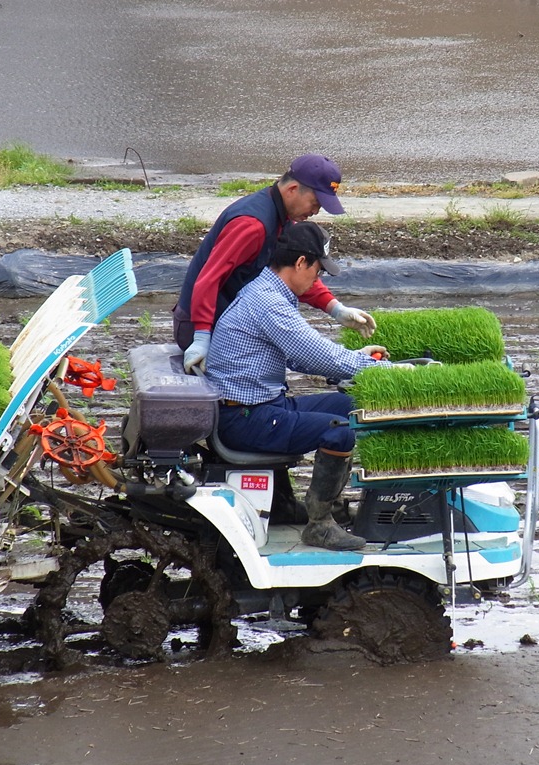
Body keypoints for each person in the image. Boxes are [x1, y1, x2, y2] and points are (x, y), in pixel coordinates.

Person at [204, 222, 405, 551]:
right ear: (300, 263)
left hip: (261, 406)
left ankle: (301, 506)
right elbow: (319, 356)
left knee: (354, 405)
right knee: (341, 429)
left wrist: (357, 359)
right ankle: (320, 525)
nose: (318, 279)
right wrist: (392, 371)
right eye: (317, 270)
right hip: (245, 418)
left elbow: (299, 356)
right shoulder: (268, 302)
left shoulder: (266, 290)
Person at [173, 153, 376, 374]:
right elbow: (208, 278)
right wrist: (202, 336)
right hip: (198, 326)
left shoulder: (281, 217)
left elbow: (294, 273)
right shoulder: (252, 225)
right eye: (315, 203)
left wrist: (336, 309)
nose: (315, 212)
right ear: (292, 189)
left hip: (228, 323)